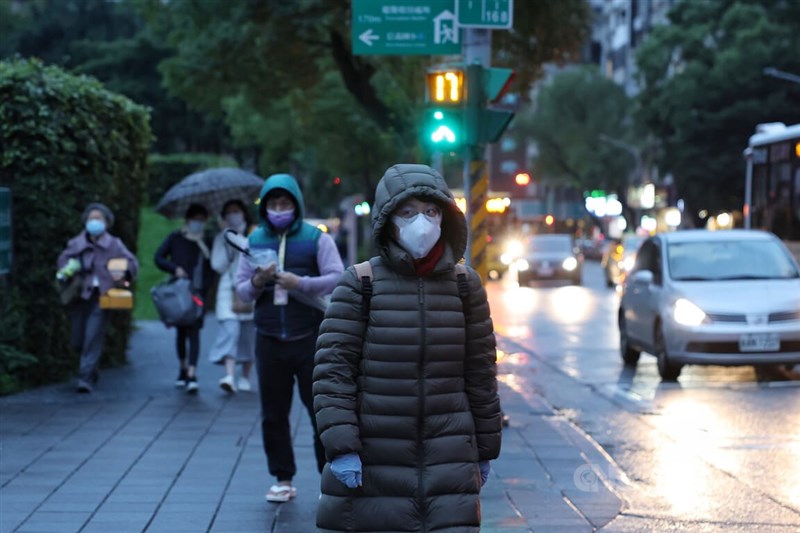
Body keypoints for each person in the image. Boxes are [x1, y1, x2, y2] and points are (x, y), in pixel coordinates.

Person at [313, 164, 502, 532]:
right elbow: (334, 370)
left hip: (449, 461)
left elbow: (481, 373)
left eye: (431, 212)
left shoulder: (465, 286)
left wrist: (485, 448)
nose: (422, 223)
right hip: (376, 459)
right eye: (409, 212)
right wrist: (341, 445)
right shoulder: (361, 283)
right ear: (388, 219)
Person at [235, 173, 344, 503]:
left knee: (320, 411)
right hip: (268, 338)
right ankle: (282, 478)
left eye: (284, 203)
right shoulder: (253, 242)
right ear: (264, 207)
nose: (278, 209)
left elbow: (337, 276)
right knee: (273, 413)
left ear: (295, 205)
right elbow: (241, 290)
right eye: (272, 204)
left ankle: (330, 480)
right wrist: (257, 281)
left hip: (309, 336)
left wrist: (301, 284)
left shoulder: (315, 238)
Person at [57, 202, 139, 393]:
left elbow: (132, 263)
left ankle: (84, 378)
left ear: (107, 222)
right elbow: (62, 261)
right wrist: (69, 268)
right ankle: (92, 368)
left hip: (102, 296)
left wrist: (123, 273)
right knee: (77, 338)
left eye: (99, 219)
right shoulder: (76, 244)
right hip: (79, 295)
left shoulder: (114, 244)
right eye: (91, 218)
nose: (94, 222)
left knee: (92, 336)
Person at [154, 203, 214, 394]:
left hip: (198, 293)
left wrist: (206, 290)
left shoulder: (208, 242)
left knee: (194, 332)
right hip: (179, 293)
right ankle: (182, 369)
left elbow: (213, 268)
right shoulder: (176, 238)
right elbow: (159, 258)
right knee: (181, 332)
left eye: (202, 219)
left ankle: (192, 373)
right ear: (187, 219)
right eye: (195, 218)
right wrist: (175, 269)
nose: (198, 223)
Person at [209, 199, 256, 393]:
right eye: (229, 212)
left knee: (247, 334)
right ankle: (229, 375)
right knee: (231, 329)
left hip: (250, 288)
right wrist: (228, 244)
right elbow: (217, 265)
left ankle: (245, 376)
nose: (233, 215)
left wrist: (241, 244)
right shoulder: (221, 238)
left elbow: (259, 259)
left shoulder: (255, 234)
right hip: (227, 290)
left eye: (236, 211)